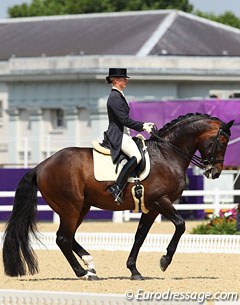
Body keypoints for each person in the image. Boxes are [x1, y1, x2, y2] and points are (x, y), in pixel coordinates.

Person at [104, 68, 154, 204]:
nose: (126, 80)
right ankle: (117, 187)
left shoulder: (119, 95)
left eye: (125, 78)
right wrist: (143, 126)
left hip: (124, 133)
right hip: (117, 135)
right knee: (136, 156)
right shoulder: (114, 98)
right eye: (123, 78)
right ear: (115, 80)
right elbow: (124, 120)